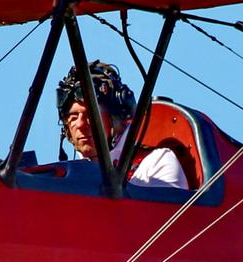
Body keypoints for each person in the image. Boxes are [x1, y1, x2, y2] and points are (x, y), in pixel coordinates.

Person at [54, 61, 191, 191]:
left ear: (117, 118)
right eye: (72, 117)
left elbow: (164, 214)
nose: (80, 124)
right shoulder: (66, 179)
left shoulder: (156, 163)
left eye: (91, 115)